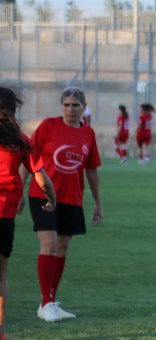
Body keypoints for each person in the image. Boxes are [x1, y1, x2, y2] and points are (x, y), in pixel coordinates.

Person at [27, 87, 103, 322]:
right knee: (48, 244)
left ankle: (50, 300)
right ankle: (47, 302)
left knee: (62, 247)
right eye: (66, 105)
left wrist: (98, 203)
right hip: (43, 195)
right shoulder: (48, 126)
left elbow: (91, 170)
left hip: (72, 198)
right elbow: (26, 159)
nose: (70, 109)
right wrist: (19, 191)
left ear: (84, 107)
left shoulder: (88, 134)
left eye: (75, 105)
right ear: (61, 107)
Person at [0, 87, 57, 340]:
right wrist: (52, 198)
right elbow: (40, 177)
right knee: (1, 276)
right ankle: (0, 335)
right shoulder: (20, 140)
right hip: (4, 214)